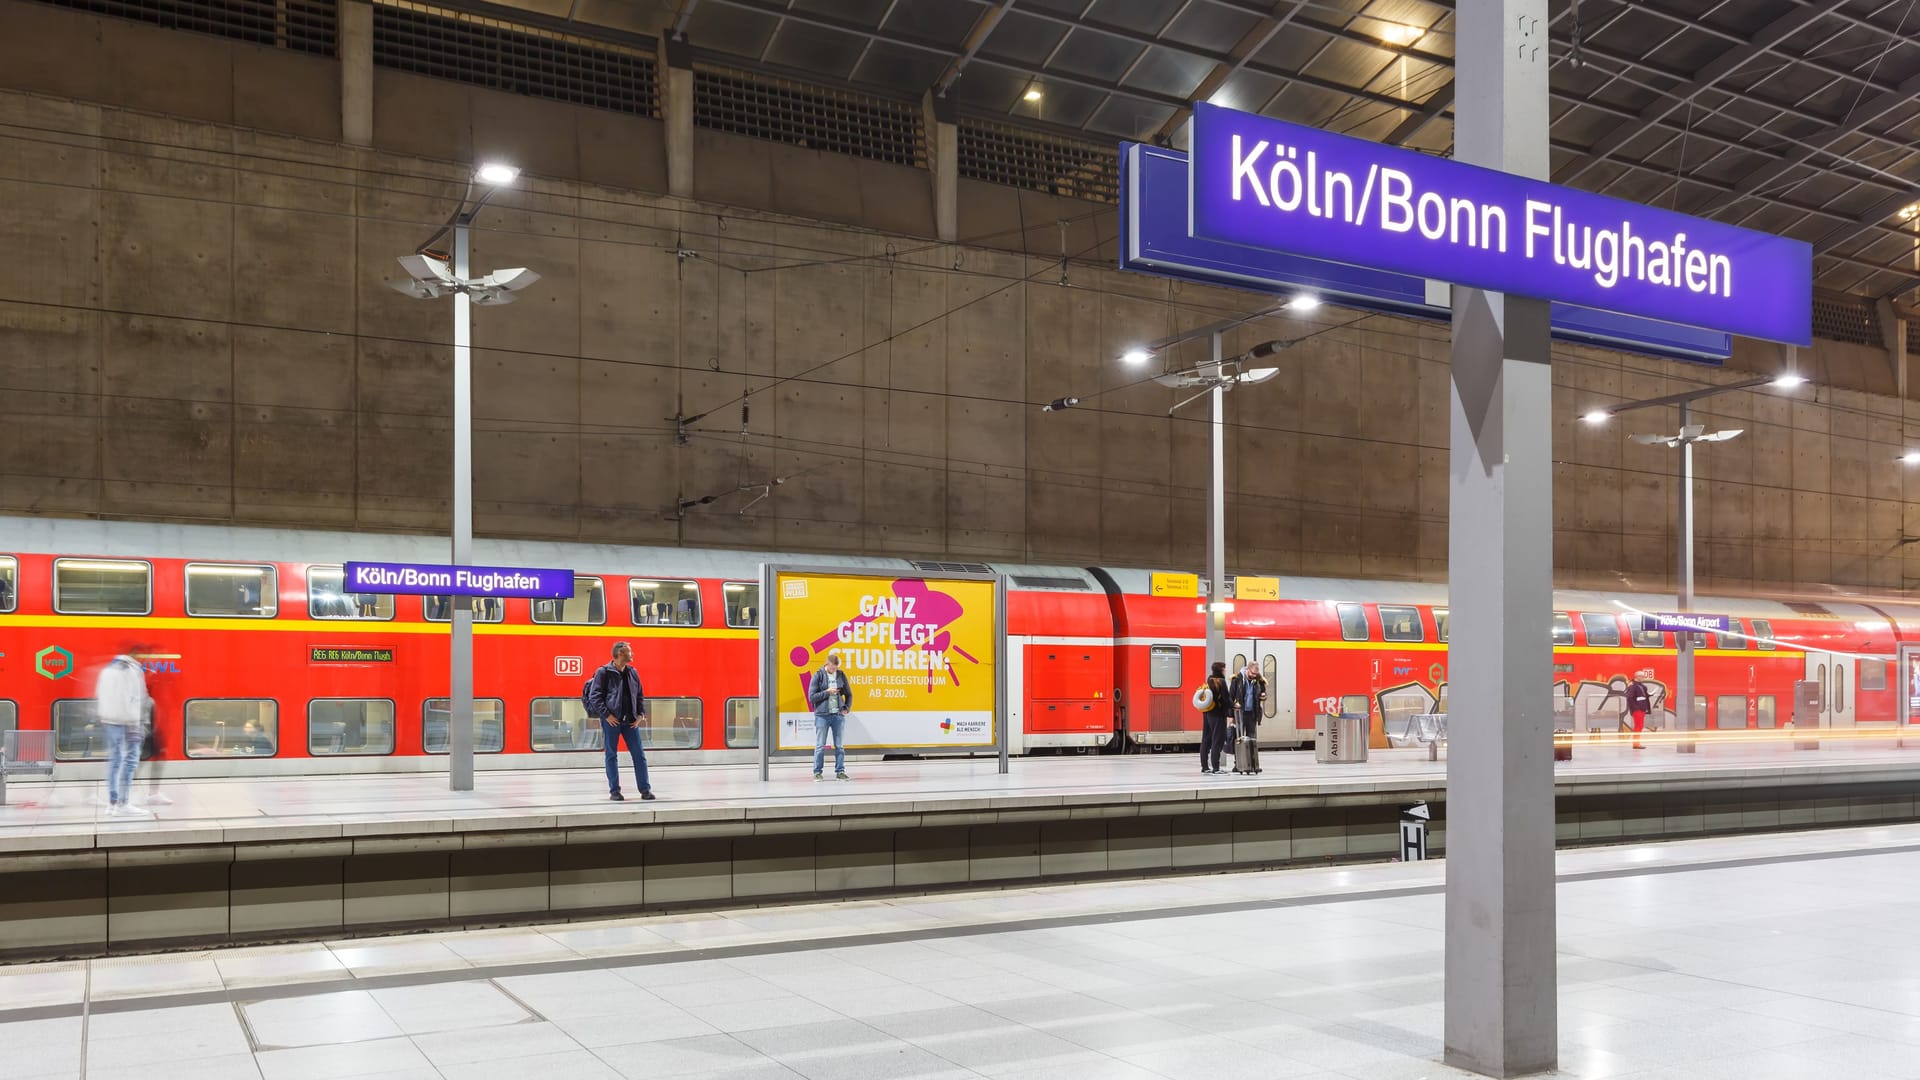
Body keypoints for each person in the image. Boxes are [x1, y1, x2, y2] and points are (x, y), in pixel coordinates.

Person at [587, 641, 654, 801]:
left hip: (631, 721)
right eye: (629, 652)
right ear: (620, 654)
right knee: (611, 755)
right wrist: (607, 715)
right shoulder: (603, 672)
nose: (632, 654)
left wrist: (640, 714)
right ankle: (614, 791)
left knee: (639, 755)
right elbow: (594, 697)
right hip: (612, 721)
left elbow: (639, 695)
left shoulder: (633, 672)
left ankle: (645, 790)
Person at [94, 653, 151, 817]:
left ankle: (112, 803)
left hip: (109, 720)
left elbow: (100, 695)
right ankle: (123, 803)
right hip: (128, 722)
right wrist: (136, 723)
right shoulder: (132, 670)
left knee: (115, 760)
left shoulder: (107, 671)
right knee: (131, 760)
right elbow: (135, 698)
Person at [809, 653, 852, 781]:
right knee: (820, 745)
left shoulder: (841, 675)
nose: (834, 670)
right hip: (822, 715)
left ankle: (840, 771)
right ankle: (817, 772)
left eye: (836, 668)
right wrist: (827, 692)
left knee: (839, 745)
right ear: (827, 664)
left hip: (838, 715)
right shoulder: (818, 675)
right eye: (833, 668)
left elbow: (849, 694)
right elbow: (812, 697)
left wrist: (846, 707)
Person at [1198, 661, 1231, 775]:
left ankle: (1205, 766)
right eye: (1224, 668)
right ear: (1221, 670)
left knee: (1206, 740)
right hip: (1218, 715)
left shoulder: (1209, 680)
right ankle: (1216, 768)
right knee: (1217, 740)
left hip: (1207, 713)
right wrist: (1234, 706)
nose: (1225, 670)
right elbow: (1226, 699)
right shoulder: (1221, 681)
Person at [1229, 662, 1268, 744]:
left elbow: (1263, 693)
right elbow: (1231, 697)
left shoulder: (1259, 680)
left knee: (1252, 738)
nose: (1254, 675)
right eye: (1253, 673)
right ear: (1247, 669)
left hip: (1252, 714)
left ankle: (1251, 756)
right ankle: (1240, 756)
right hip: (1240, 713)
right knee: (1239, 738)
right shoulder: (1236, 680)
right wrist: (1231, 716)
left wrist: (1263, 696)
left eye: (1256, 674)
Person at [1625, 676, 1653, 750]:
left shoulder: (1640, 686)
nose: (1644, 678)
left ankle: (1636, 743)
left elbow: (1640, 696)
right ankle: (1636, 744)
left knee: (1640, 726)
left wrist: (1648, 695)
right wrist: (1636, 707)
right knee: (1638, 726)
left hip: (1641, 708)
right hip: (1638, 709)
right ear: (1638, 677)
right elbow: (1630, 698)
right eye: (1643, 676)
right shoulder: (1633, 686)